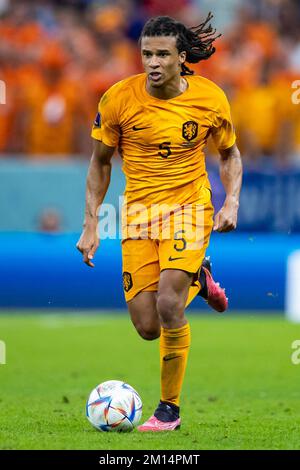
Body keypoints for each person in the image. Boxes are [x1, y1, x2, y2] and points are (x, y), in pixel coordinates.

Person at [77, 13, 242, 432]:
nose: (152, 62)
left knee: (169, 304)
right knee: (148, 326)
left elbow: (229, 155)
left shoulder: (210, 99)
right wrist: (91, 223)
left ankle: (169, 410)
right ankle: (198, 280)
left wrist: (231, 203)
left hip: (189, 208)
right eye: (146, 53)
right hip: (137, 216)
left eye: (162, 54)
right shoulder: (118, 99)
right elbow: (99, 164)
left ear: (181, 57)